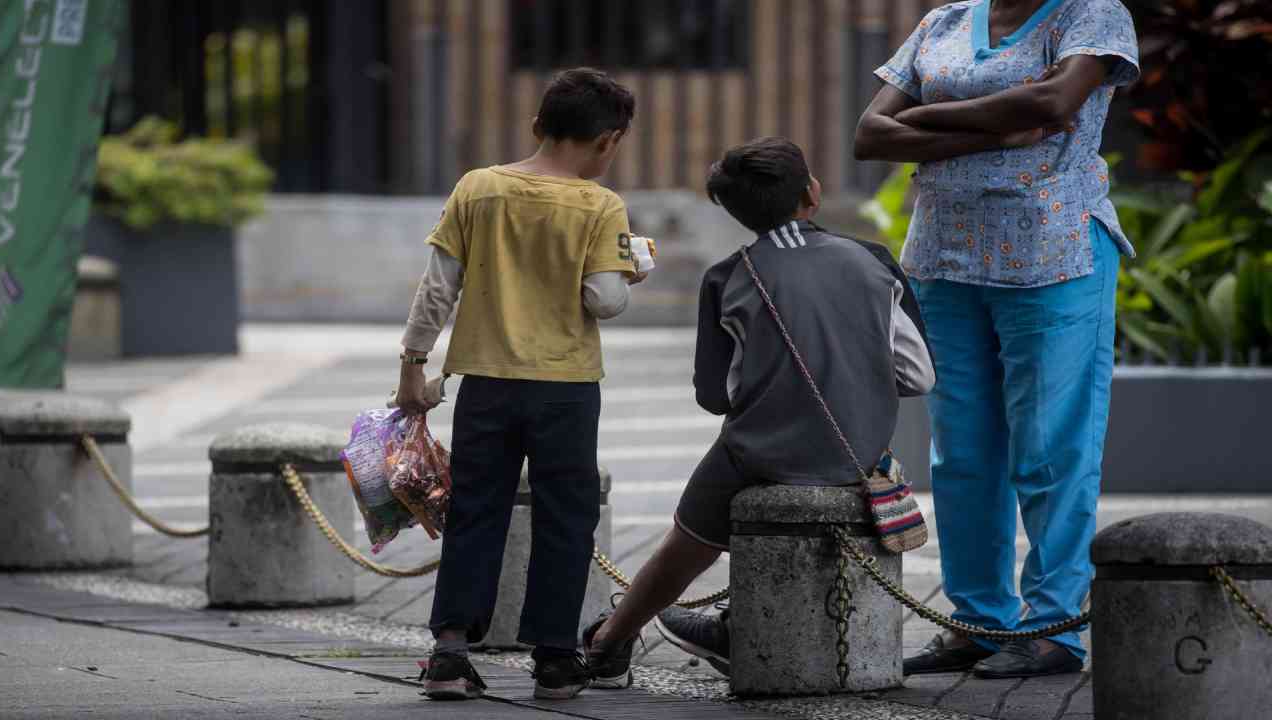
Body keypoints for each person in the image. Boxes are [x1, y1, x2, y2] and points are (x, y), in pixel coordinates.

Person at [581, 137, 936, 687]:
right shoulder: (874, 261)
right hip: (859, 452)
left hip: (758, 453)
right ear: (811, 193)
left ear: (736, 211)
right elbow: (919, 376)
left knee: (685, 540)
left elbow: (715, 396)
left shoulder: (728, 276)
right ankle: (729, 624)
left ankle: (609, 642)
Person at [854, 0, 1139, 679]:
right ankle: (978, 622)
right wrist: (1001, 126)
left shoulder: (1091, 15)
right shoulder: (943, 23)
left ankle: (1053, 629)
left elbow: (1058, 98)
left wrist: (923, 119)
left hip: (1054, 253)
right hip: (944, 259)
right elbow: (869, 133)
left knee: (1051, 450)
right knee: (962, 455)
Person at [394, 67, 646, 701]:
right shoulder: (600, 204)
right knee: (567, 515)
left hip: (484, 379)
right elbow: (604, 300)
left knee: (475, 509)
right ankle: (556, 658)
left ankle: (450, 652)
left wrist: (413, 365)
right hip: (564, 386)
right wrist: (633, 266)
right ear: (610, 141)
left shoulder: (478, 189)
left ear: (537, 125)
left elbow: (437, 288)